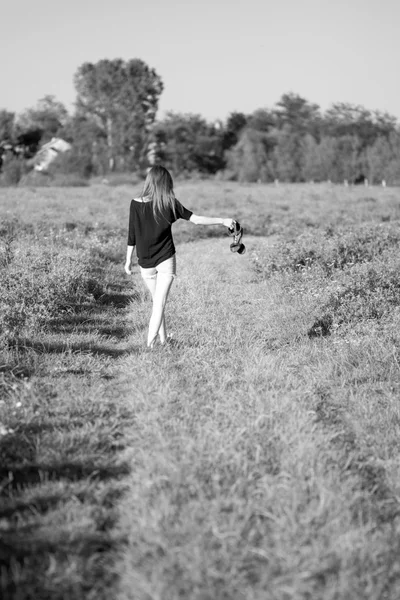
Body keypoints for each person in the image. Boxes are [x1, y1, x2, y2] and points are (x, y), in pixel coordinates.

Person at [124, 165, 234, 348]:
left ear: (149, 181)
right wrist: (223, 221)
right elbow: (197, 219)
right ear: (166, 182)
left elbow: (132, 234)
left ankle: (164, 340)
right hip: (166, 257)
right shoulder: (169, 202)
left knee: (158, 302)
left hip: (144, 260)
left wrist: (128, 260)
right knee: (159, 303)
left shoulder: (135, 203)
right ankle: (150, 345)